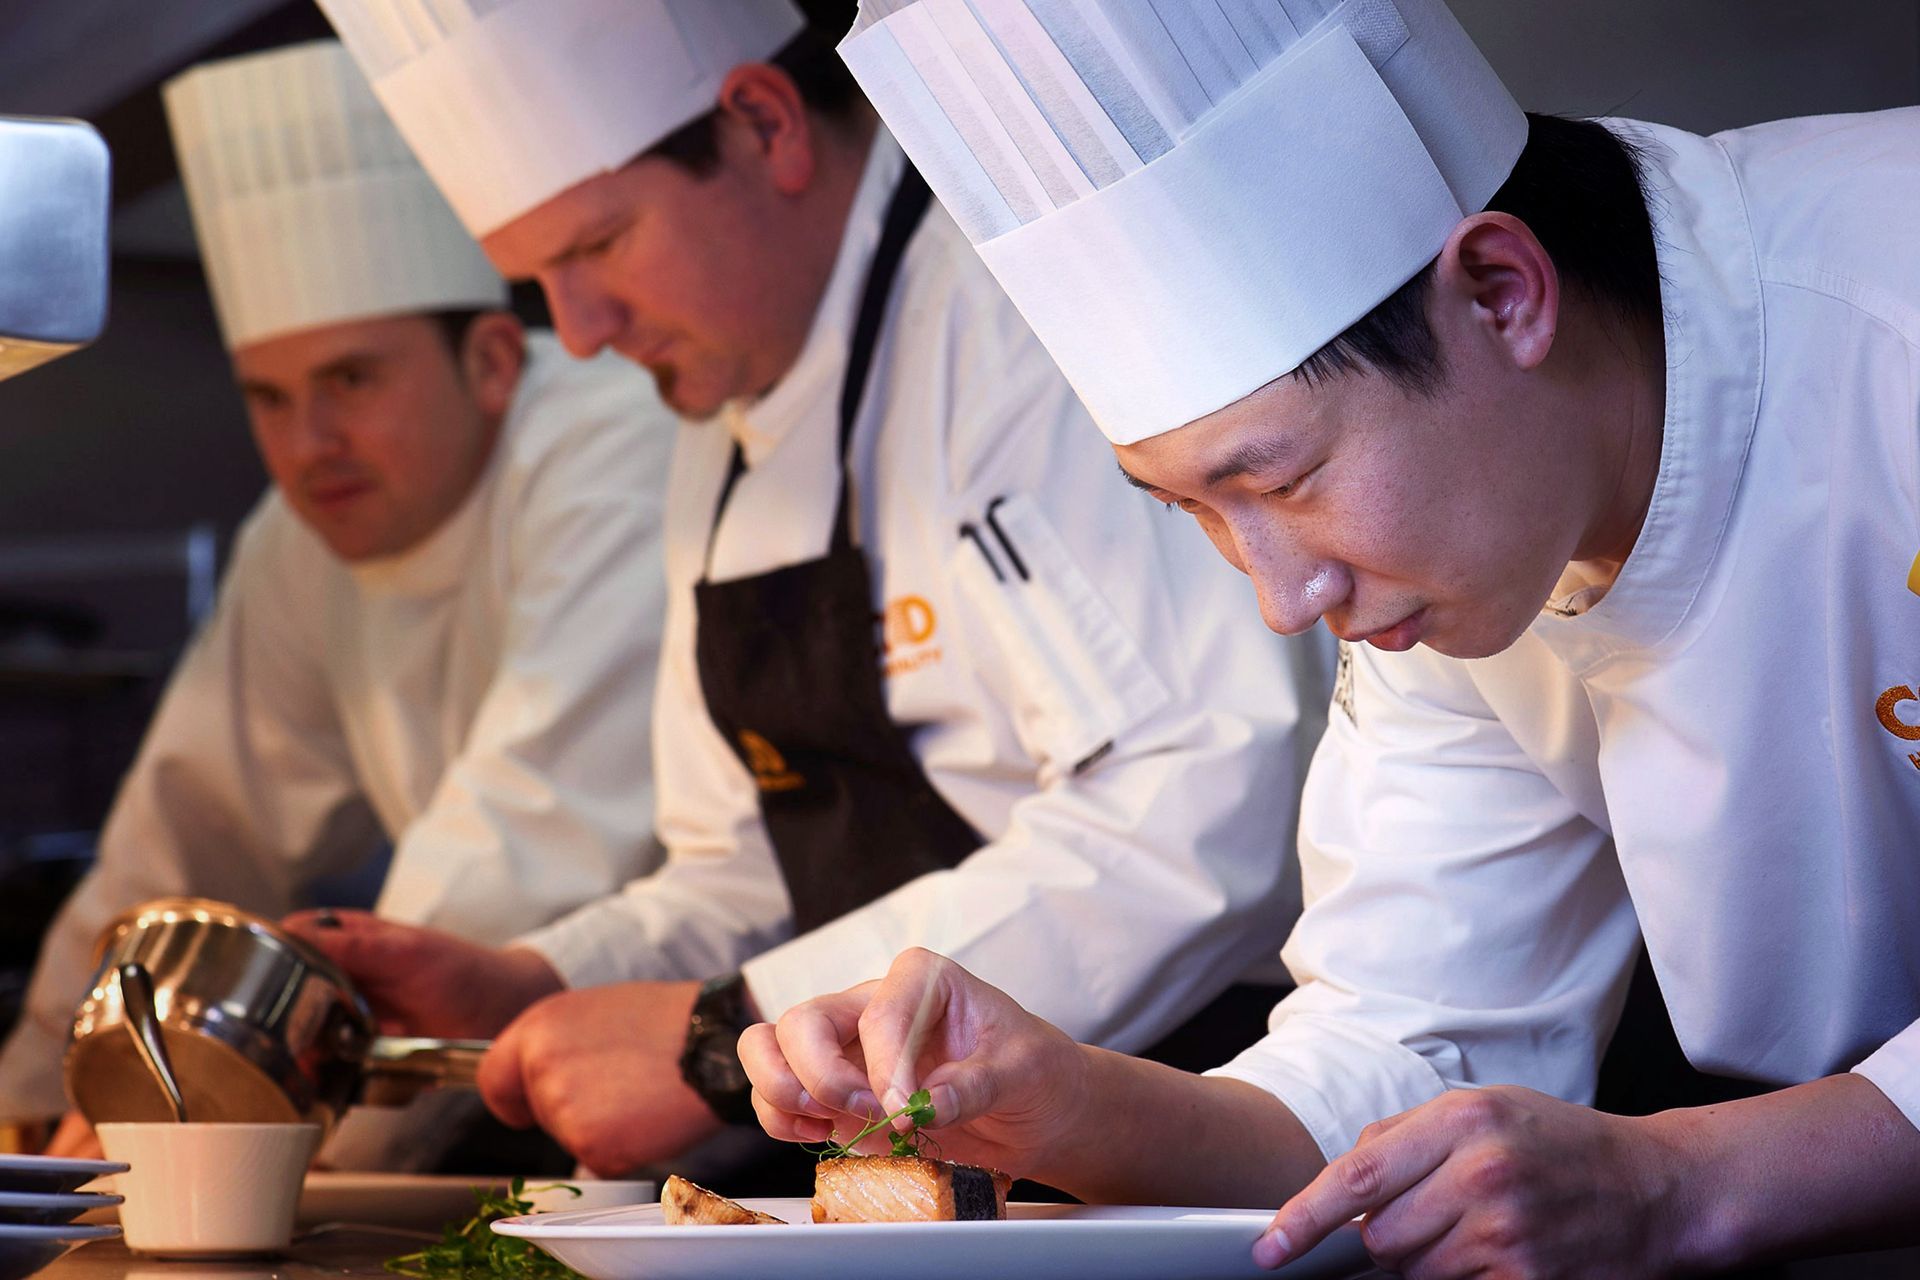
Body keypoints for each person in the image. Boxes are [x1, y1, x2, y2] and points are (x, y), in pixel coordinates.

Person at [744, 0, 1920, 1273]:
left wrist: (1686, 1181)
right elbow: (1407, 1049)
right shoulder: (1464, 571)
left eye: (1287, 480)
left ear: (1501, 290)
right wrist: (1069, 1102)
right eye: (1198, 511)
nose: (1281, 596)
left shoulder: (1886, 303)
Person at [297, 0, 1333, 1179]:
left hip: (1193, 1121)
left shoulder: (1018, 318)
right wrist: (545, 980)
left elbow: (1203, 805)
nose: (576, 336)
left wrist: (712, 1042)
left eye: (594, 247)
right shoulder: (729, 410)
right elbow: (742, 865)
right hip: (910, 1144)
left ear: (763, 122)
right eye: (539, 279)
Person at [0, 41, 677, 1149]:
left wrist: (225, 1150)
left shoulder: (616, 445)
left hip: (737, 1094)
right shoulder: (309, 523)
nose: (309, 442)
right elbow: (184, 832)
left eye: (352, 379)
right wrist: (28, 1108)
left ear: (496, 360)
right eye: (269, 396)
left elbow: (519, 841)